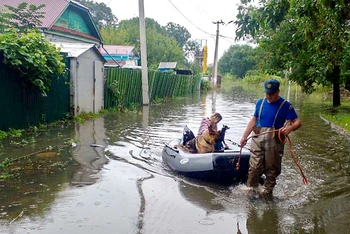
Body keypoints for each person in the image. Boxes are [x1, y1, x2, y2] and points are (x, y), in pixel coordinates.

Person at [240, 78, 302, 198]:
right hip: (257, 139)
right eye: (267, 93)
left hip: (274, 142)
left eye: (272, 94)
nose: (269, 96)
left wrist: (290, 128)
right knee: (254, 167)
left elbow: (298, 122)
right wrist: (244, 136)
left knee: (272, 169)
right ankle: (251, 190)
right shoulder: (260, 102)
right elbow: (254, 120)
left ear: (278, 91)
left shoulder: (286, 106)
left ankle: (267, 194)